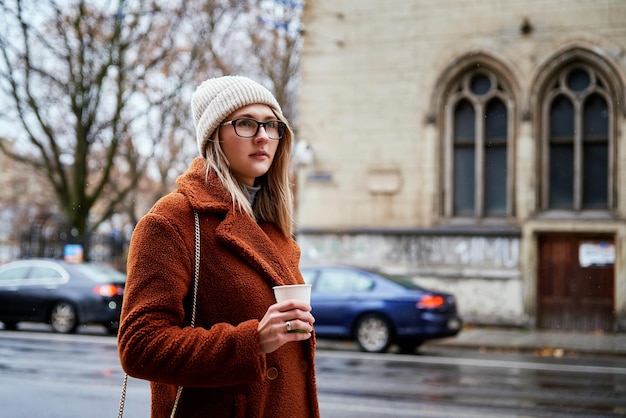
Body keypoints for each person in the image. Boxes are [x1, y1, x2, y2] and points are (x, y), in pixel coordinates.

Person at [118, 76, 319, 418]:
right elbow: (139, 345)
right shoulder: (173, 220)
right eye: (245, 123)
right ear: (214, 136)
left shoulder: (273, 228)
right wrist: (251, 341)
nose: (262, 136)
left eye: (272, 125)